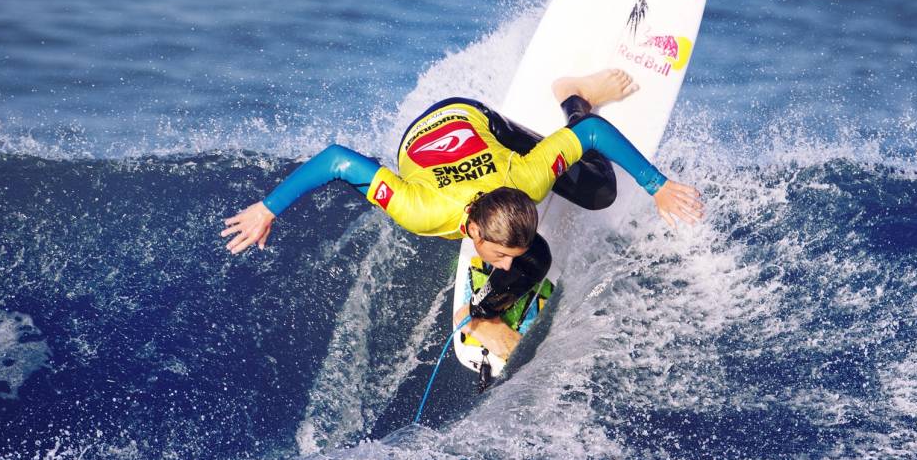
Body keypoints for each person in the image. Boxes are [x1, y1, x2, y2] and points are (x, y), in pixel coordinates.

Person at [222, 69, 703, 360]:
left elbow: (594, 133)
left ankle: (573, 93)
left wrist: (658, 187)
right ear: (471, 230)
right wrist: (268, 209)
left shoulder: (528, 176)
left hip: (485, 134)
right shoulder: (418, 208)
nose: (506, 264)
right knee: (538, 254)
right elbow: (335, 160)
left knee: (598, 191)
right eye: (497, 254)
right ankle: (483, 318)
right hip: (437, 127)